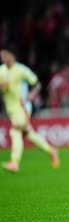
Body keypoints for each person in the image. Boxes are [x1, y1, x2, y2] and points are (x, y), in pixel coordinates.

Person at [0, 44, 60, 173]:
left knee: (14, 131)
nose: (3, 58)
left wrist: (32, 94)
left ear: (12, 55)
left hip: (23, 107)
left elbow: (37, 83)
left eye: (5, 55)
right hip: (11, 110)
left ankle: (14, 163)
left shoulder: (21, 70)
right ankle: (51, 150)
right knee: (28, 134)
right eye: (2, 56)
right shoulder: (1, 71)